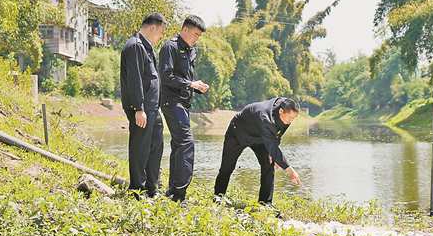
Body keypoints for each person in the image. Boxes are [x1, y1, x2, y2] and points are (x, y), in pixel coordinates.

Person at [214, 97, 302, 206]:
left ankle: (265, 204)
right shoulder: (265, 117)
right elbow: (272, 144)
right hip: (238, 133)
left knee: (269, 165)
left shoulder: (286, 110)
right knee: (227, 167)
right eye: (289, 118)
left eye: (293, 118)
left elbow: (277, 135)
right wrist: (289, 170)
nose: (290, 121)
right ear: (281, 111)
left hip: (260, 138)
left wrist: (274, 156)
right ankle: (218, 197)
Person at [159, 15, 209, 203]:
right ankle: (180, 194)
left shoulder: (191, 50)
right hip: (171, 101)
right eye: (195, 34)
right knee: (187, 144)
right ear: (185, 29)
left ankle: (173, 192)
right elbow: (166, 77)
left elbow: (186, 78)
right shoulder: (170, 47)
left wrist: (198, 87)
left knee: (179, 146)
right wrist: (191, 84)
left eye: (199, 36)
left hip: (184, 103)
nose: (196, 38)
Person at [120, 13, 167, 198]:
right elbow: (135, 79)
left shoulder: (146, 47)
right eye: (161, 32)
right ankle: (137, 190)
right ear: (153, 27)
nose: (161, 36)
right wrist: (139, 108)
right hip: (142, 108)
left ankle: (151, 188)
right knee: (140, 148)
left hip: (152, 108)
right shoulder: (135, 46)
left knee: (156, 146)